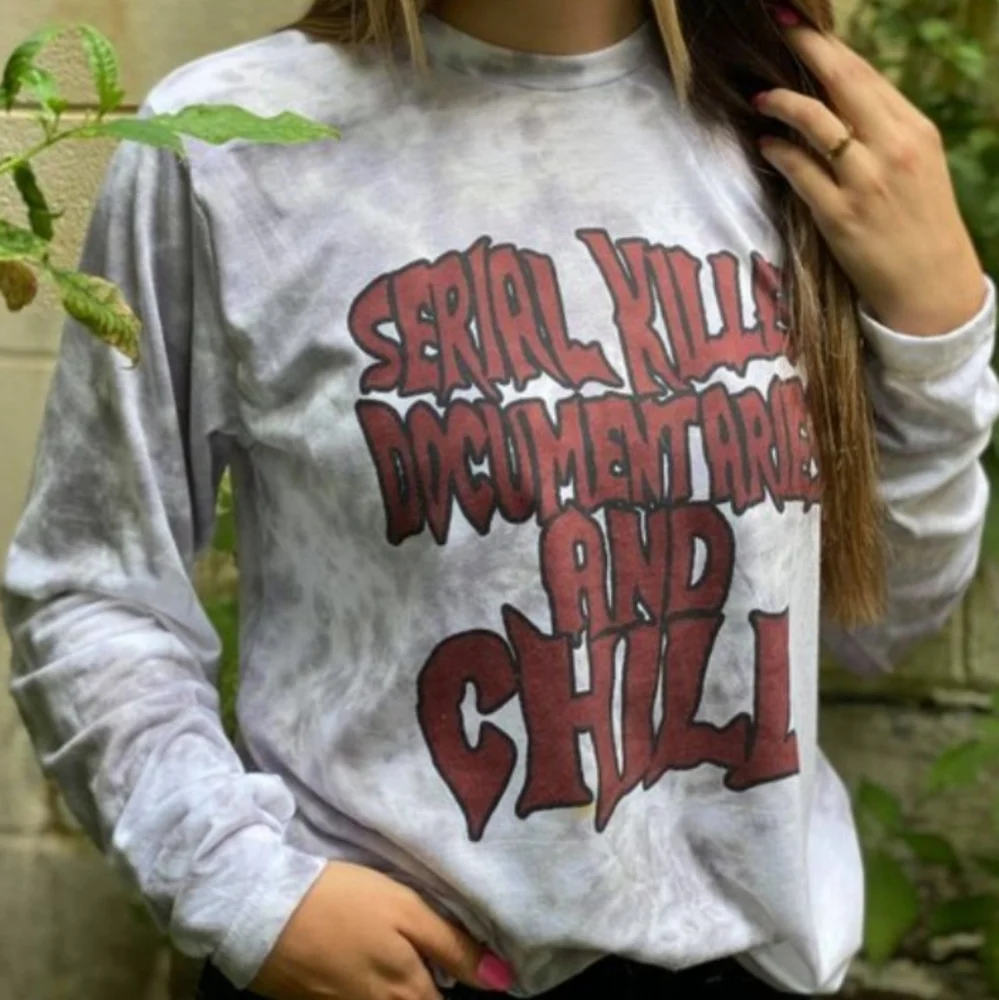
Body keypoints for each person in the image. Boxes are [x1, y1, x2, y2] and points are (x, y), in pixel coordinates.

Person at [4, 0, 997, 997]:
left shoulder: (794, 132)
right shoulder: (228, 147)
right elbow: (93, 585)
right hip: (398, 972)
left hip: (749, 969)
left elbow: (877, 622)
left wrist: (938, 325)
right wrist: (247, 889)